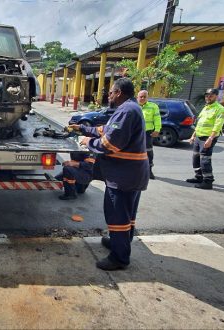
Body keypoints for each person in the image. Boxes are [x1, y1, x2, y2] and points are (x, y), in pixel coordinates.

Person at [69, 78, 149, 271]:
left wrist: (86, 141)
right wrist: (82, 128)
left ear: (119, 92)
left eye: (111, 92)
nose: (109, 95)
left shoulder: (127, 111)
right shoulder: (127, 109)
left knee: (117, 215)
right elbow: (104, 130)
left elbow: (109, 144)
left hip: (124, 176)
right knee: (127, 215)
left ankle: (119, 257)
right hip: (131, 173)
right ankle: (119, 242)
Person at [185, 88, 224, 190]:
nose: (208, 97)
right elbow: (200, 123)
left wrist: (210, 139)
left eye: (211, 95)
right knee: (195, 158)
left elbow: (218, 125)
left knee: (205, 160)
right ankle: (199, 177)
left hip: (207, 138)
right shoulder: (206, 108)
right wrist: (193, 135)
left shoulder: (220, 109)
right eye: (207, 95)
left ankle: (208, 181)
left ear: (216, 97)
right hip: (199, 137)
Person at [136, 90, 161, 179]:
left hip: (147, 133)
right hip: (135, 133)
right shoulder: (134, 106)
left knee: (148, 152)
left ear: (147, 97)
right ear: (137, 97)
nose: (142, 98)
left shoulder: (153, 106)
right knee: (134, 151)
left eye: (144, 97)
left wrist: (157, 130)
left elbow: (157, 119)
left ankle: (149, 170)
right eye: (141, 97)